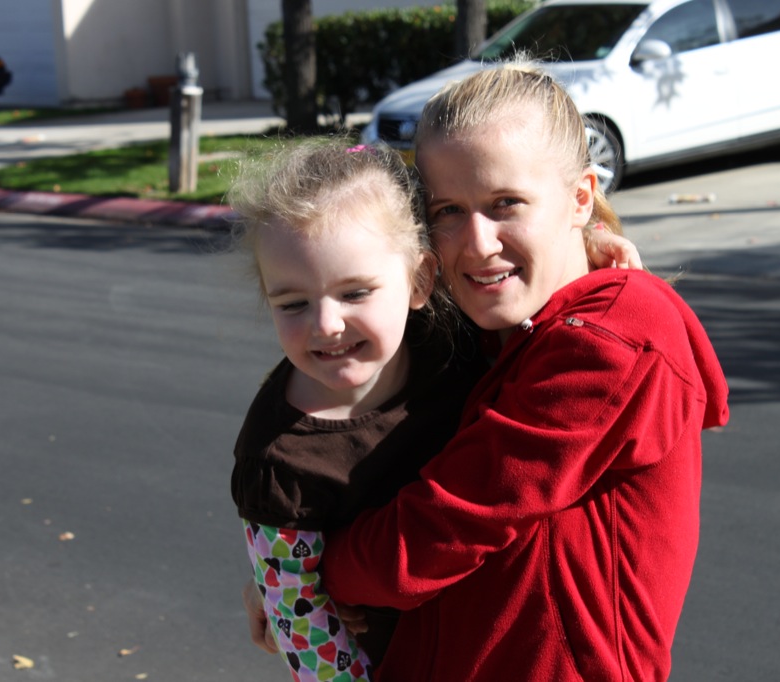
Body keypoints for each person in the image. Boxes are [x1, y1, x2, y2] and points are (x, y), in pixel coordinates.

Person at [316, 63, 730, 681]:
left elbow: (445, 524)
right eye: (448, 210)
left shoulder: (611, 338)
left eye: (505, 203)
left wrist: (308, 576)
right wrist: (288, 578)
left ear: (580, 198)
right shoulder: (493, 331)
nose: (478, 242)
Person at [228, 137, 643, 681]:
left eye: (355, 293)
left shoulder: (449, 337)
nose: (325, 324)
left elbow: (527, 287)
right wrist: (278, 588)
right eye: (293, 302)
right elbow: (305, 635)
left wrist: (590, 244)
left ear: (420, 281)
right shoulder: (278, 460)